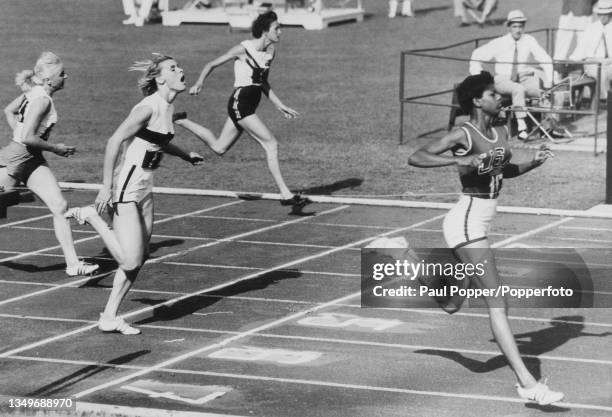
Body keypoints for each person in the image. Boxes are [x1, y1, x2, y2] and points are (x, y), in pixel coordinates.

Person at [408, 71, 563, 406]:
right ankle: (528, 384)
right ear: (478, 100)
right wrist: (462, 158)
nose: (500, 98)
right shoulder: (463, 132)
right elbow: (417, 156)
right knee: (498, 302)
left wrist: (532, 163)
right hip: (466, 222)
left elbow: (501, 170)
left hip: (481, 223)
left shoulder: (500, 130)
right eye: (494, 94)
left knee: (451, 304)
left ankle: (409, 264)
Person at [65, 54, 204, 335]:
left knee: (141, 256)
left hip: (145, 188)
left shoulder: (168, 105)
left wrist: (185, 155)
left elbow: (158, 140)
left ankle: (109, 316)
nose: (182, 70)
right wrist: (106, 186)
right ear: (160, 78)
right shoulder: (147, 108)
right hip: (127, 188)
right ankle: (93, 217)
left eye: (179, 66)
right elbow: (114, 140)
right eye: (174, 68)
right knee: (129, 260)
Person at [182, 11, 311, 210]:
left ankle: (181, 120)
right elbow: (212, 64)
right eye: (277, 28)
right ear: (265, 31)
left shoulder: (270, 52)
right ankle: (285, 194)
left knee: (219, 148)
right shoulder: (243, 49)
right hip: (239, 103)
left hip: (250, 104)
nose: (280, 32)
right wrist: (199, 83)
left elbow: (263, 83)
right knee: (271, 144)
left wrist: (280, 105)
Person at [0, 52, 99, 277]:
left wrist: (20, 133)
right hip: (18, 157)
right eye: (62, 74)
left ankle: (73, 264)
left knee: (59, 206)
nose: (66, 76)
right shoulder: (43, 99)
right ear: (49, 80)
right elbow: (27, 137)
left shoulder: (34, 92)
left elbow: (9, 111)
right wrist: (56, 148)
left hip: (32, 159)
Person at [469, 10, 554, 140]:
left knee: (545, 90)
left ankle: (547, 128)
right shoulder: (500, 42)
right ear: (508, 27)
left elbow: (545, 59)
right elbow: (477, 54)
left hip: (522, 77)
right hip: (502, 80)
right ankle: (522, 129)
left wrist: (549, 82)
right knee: (518, 89)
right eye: (514, 26)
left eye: (520, 26)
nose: (518, 30)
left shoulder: (529, 40)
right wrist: (478, 78)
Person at [569, 0, 612, 99]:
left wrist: (608, 61)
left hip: (610, 62)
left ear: (611, 14)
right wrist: (573, 60)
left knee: (607, 71)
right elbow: (580, 50)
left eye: (605, 14)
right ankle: (606, 101)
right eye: (599, 14)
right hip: (592, 63)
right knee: (601, 73)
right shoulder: (591, 28)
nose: (602, 17)